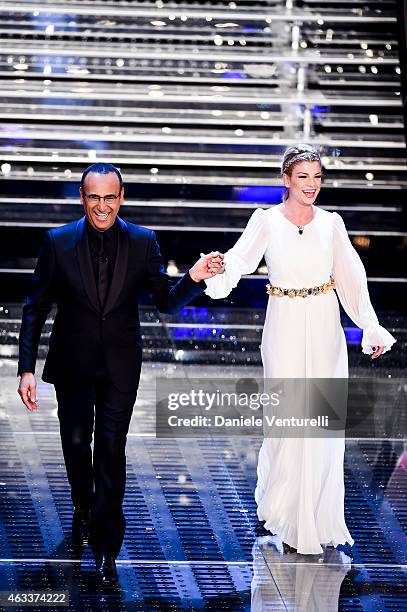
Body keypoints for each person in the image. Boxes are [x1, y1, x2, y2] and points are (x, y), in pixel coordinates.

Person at [17, 162, 224, 584]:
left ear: (121, 197)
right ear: (82, 197)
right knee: (76, 446)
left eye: (110, 197)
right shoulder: (57, 243)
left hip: (119, 365)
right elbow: (35, 308)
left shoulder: (143, 241)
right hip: (73, 363)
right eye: (94, 197)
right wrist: (26, 369)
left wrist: (193, 278)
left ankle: (107, 544)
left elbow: (165, 301)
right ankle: (83, 507)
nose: (102, 206)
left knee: (110, 450)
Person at [204, 144, 396, 554]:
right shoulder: (266, 221)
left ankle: (316, 520)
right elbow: (239, 260)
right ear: (286, 179)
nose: (312, 186)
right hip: (284, 326)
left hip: (325, 325)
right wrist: (217, 276)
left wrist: (370, 325)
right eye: (303, 177)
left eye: (317, 178)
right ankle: (286, 515)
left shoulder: (332, 224)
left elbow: (350, 276)